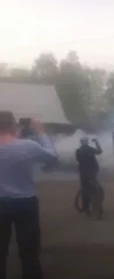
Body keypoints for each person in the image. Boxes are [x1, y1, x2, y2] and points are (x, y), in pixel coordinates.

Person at [0, 111, 57, 279]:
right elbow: (52, 156)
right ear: (13, 126)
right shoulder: (28, 146)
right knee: (29, 251)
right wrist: (40, 132)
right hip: (25, 203)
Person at [75, 136, 103, 216]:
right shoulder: (90, 149)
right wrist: (97, 142)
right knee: (94, 190)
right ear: (87, 142)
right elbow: (100, 151)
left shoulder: (78, 151)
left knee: (84, 191)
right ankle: (99, 209)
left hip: (83, 173)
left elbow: (78, 159)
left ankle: (86, 208)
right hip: (91, 173)